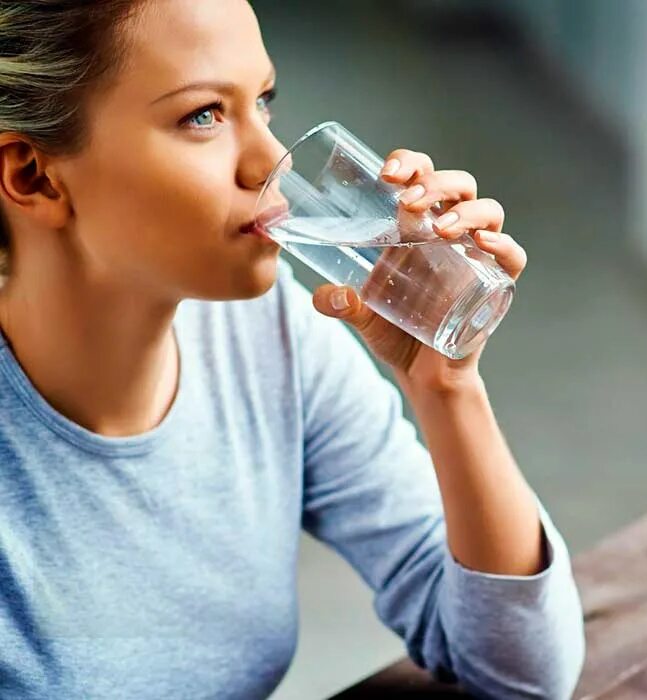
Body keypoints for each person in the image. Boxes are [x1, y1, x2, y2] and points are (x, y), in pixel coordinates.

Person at [0, 1, 584, 698]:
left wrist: (446, 386)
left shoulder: (271, 342)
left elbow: (521, 674)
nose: (271, 163)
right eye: (203, 116)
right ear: (31, 175)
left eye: (263, 103)